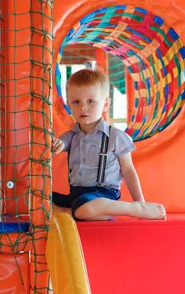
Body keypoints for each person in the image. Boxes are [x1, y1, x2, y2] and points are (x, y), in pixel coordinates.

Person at [52, 68, 166, 221]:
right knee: (33, 198)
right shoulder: (71, 136)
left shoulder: (116, 137)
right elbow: (62, 142)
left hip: (103, 194)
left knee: (86, 208)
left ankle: (133, 209)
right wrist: (57, 144)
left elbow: (128, 170)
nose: (83, 107)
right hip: (77, 195)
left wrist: (140, 202)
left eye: (91, 101)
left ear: (106, 104)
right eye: (76, 102)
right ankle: (71, 211)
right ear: (69, 105)